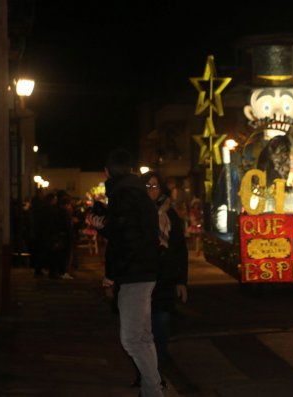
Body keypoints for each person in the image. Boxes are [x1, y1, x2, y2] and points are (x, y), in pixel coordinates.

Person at [88, 148, 164, 397]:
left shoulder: (124, 195)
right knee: (142, 337)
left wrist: (111, 275)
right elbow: (129, 232)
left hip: (134, 274)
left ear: (107, 171)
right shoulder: (136, 193)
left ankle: (154, 390)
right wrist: (107, 227)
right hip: (145, 272)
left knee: (132, 339)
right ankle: (151, 389)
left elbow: (126, 240)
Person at [131, 171, 188, 387]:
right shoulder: (136, 213)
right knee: (140, 333)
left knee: (161, 331)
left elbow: (180, 251)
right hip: (141, 281)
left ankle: (155, 373)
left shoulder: (171, 216)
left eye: (155, 186)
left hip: (164, 282)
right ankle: (144, 374)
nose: (152, 191)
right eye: (147, 186)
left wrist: (181, 281)